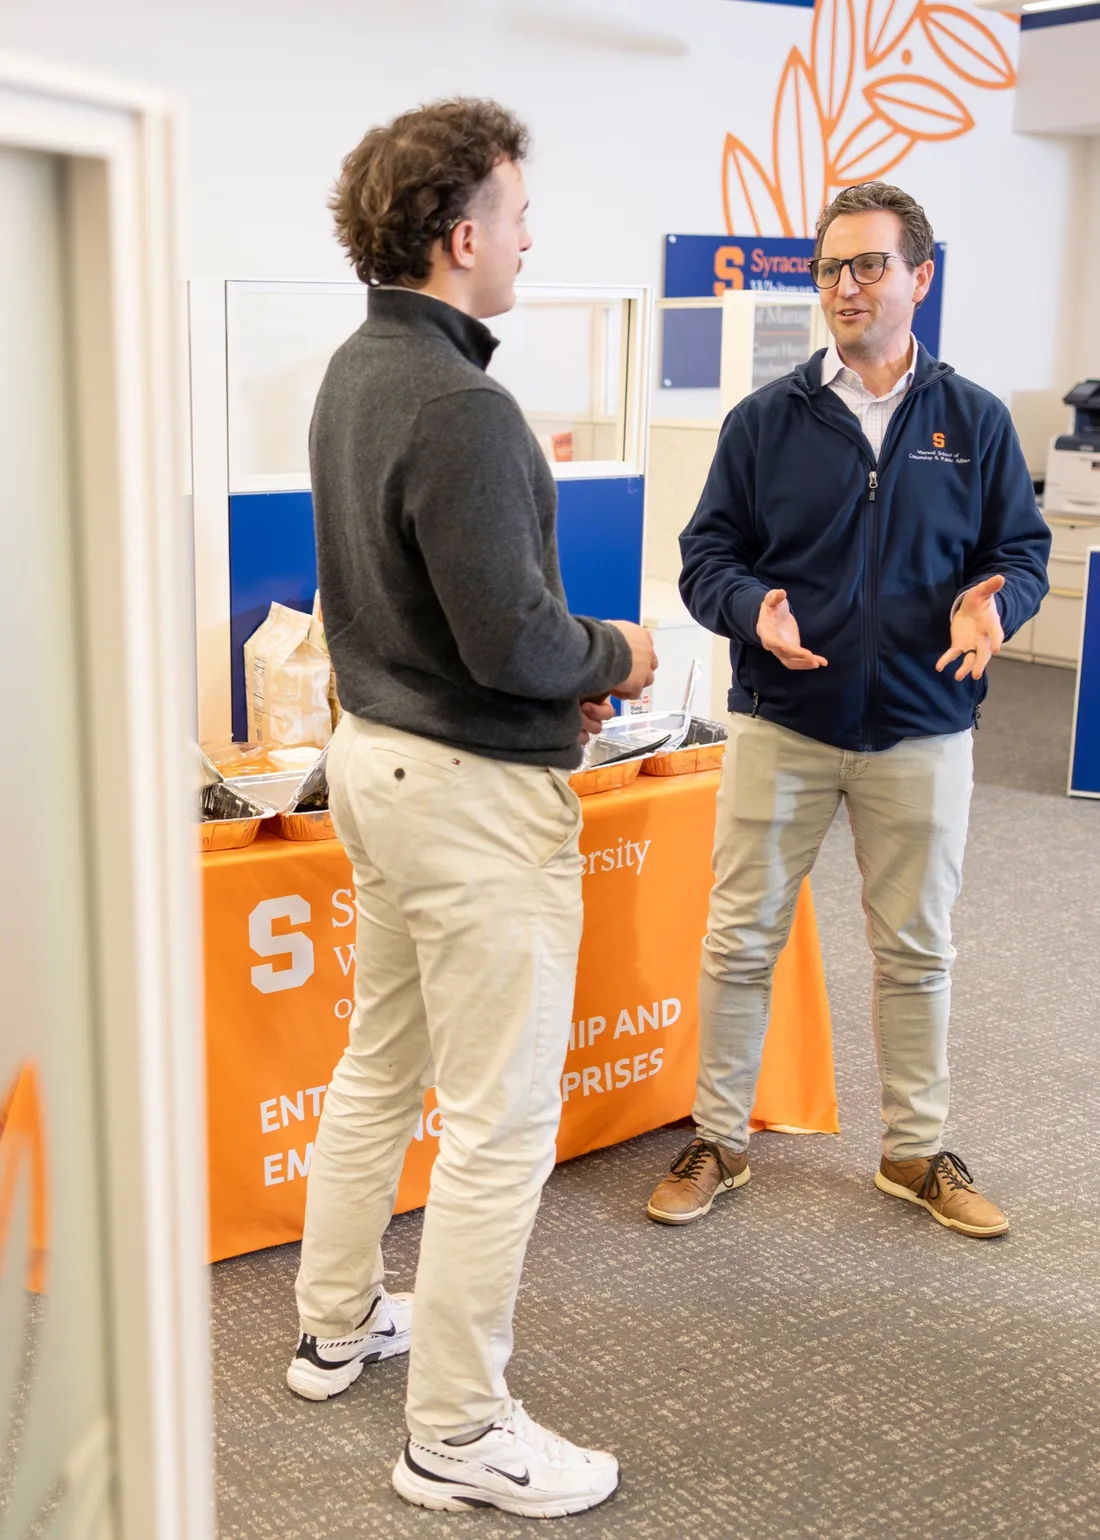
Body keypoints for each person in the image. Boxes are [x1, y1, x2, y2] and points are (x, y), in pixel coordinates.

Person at [288, 99, 656, 1517]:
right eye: (515, 214)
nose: (525, 239)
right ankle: (454, 1433)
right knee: (498, 1123)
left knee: (380, 1063)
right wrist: (616, 655)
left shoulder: (356, 370)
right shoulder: (461, 404)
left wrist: (552, 675)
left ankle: (335, 1326)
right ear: (459, 236)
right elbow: (514, 641)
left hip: (381, 764)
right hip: (467, 801)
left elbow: (440, 620)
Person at [646, 181, 1049, 1240]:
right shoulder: (765, 421)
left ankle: (913, 1152)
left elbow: (1020, 551)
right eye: (830, 267)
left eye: (869, 264)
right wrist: (751, 608)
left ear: (920, 277)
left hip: (923, 724)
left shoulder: (973, 420)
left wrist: (995, 601)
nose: (846, 286)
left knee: (915, 951)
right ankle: (719, 1139)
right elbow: (706, 557)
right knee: (740, 940)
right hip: (781, 719)